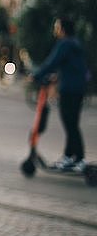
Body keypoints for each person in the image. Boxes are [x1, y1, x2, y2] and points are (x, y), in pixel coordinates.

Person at [31, 17, 88, 172]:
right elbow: (71, 66)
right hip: (77, 88)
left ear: (63, 29)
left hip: (69, 88)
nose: (55, 30)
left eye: (57, 27)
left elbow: (52, 62)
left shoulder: (65, 44)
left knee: (70, 123)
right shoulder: (75, 43)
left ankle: (79, 158)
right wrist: (56, 76)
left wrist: (36, 75)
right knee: (71, 123)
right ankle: (70, 156)